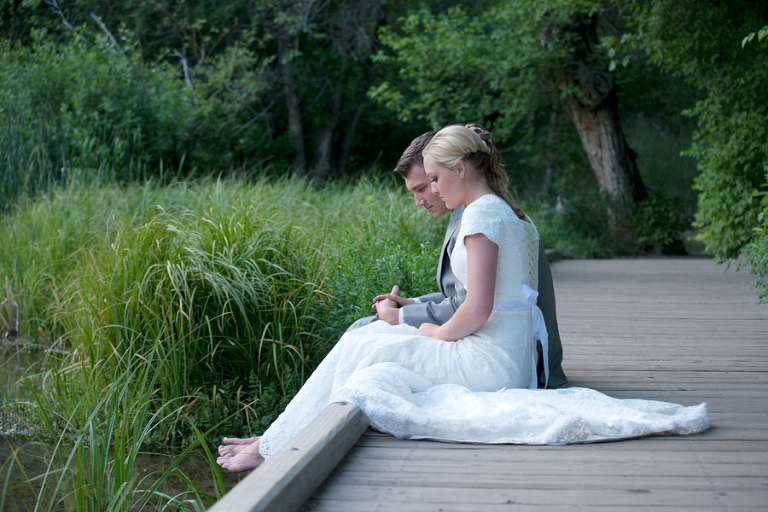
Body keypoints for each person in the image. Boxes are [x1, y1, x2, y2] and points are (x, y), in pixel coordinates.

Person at [216, 124, 708, 473]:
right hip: (506, 352)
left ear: (460, 168)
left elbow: (477, 308)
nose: (431, 189)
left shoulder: (481, 216)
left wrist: (433, 332)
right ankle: (279, 437)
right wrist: (422, 322)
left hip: (489, 360)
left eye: (434, 179)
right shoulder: (502, 210)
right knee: (368, 345)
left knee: (363, 343)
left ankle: (273, 445)